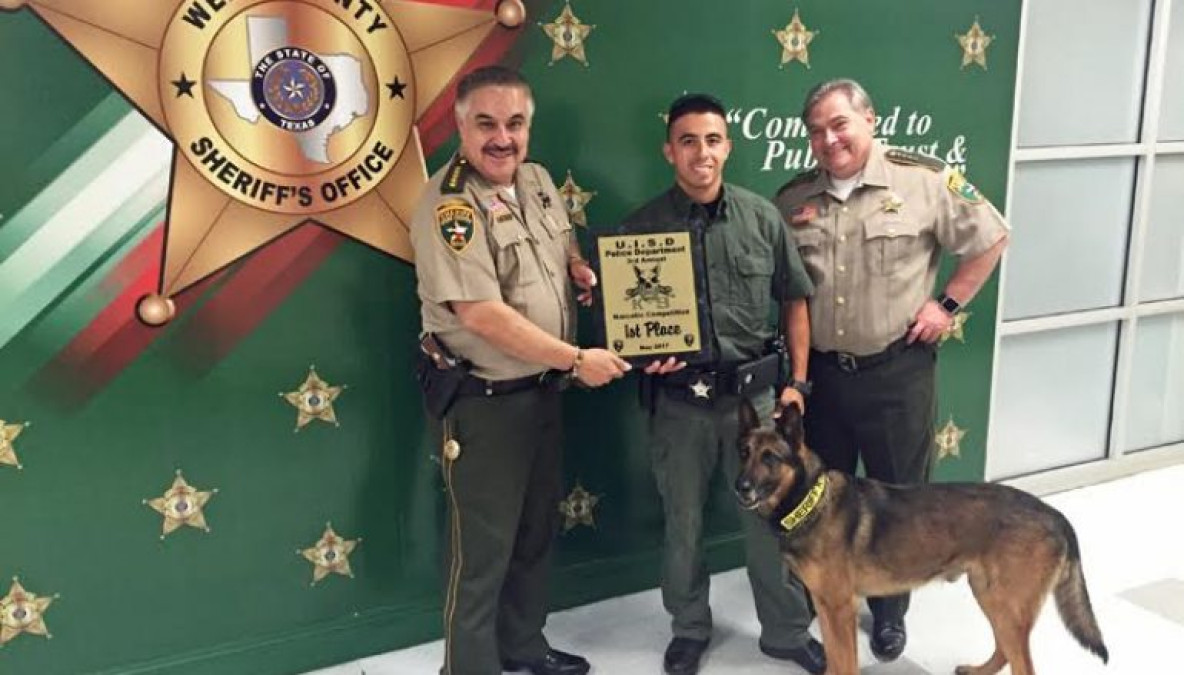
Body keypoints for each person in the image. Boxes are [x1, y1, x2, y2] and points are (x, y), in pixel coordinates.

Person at [773, 78, 1010, 662]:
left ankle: (888, 615)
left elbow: (991, 236)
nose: (829, 140)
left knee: (900, 503)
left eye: (840, 125)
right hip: (822, 378)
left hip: (896, 373)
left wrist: (946, 305)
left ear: (869, 120)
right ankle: (826, 598)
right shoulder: (793, 199)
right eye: (817, 131)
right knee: (820, 500)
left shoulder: (923, 181)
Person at [410, 65, 631, 675]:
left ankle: (523, 645)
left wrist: (576, 268)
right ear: (460, 127)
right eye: (486, 124)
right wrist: (576, 359)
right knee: (482, 553)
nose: (502, 138)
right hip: (484, 402)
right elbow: (480, 313)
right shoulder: (450, 205)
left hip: (541, 392)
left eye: (514, 124)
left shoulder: (535, 180)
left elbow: (557, 245)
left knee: (534, 535)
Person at [623, 94, 825, 675]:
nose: (701, 153)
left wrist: (799, 384)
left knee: (769, 521)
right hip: (680, 406)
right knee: (683, 526)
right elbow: (627, 327)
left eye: (712, 140)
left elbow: (795, 300)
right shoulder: (640, 229)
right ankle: (689, 628)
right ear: (669, 151)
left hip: (754, 404)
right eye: (688, 141)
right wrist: (645, 357)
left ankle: (786, 631)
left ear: (728, 147)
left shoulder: (762, 218)